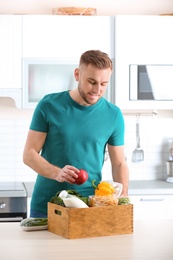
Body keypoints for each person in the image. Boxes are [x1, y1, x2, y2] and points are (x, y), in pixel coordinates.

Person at [23, 50, 129, 218]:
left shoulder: (113, 115)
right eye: (92, 82)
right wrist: (57, 173)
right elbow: (29, 154)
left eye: (103, 84)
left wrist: (123, 198)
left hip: (87, 207)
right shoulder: (49, 105)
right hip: (46, 205)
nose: (97, 90)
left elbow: (119, 164)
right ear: (77, 74)